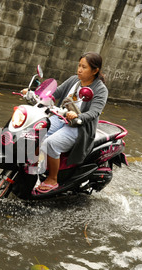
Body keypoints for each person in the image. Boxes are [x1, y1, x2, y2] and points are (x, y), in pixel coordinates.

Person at [32, 52, 108, 194]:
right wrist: (36, 95)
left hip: (80, 126)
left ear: (95, 70)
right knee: (35, 134)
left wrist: (78, 116)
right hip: (60, 118)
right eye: (79, 65)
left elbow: (94, 112)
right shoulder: (74, 80)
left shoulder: (100, 89)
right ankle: (30, 169)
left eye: (84, 67)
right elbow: (55, 94)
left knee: (51, 143)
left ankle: (52, 179)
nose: (79, 69)